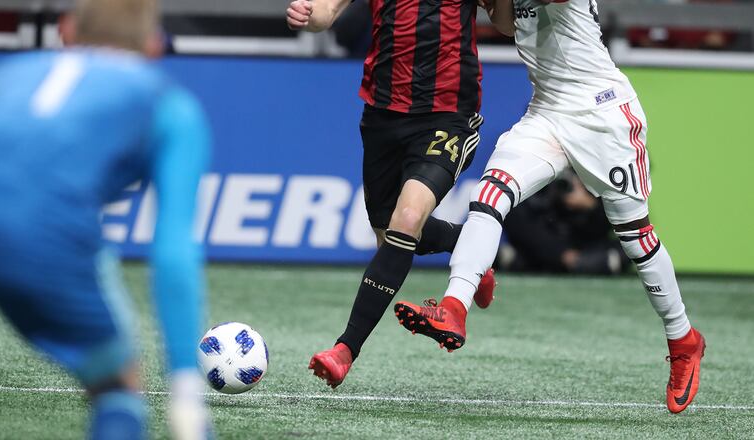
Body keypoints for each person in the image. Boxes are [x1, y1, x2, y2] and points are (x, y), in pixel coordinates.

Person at [395, 0, 705, 414]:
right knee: (488, 198)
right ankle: (454, 308)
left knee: (637, 239)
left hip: (603, 112)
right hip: (547, 111)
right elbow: (506, 24)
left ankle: (684, 339)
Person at [0, 0, 212, 438]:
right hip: (44, 237)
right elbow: (174, 250)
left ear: (65, 30)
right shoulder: (168, 104)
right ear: (153, 46)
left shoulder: (6, 74)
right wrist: (185, 386)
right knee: (118, 387)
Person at [286, 0, 497, 388]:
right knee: (390, 233)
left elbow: (506, 23)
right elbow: (326, 11)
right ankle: (470, 247)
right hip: (382, 116)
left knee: (408, 217)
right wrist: (309, 15)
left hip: (448, 115)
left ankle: (344, 350)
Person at [501, 172, 630, 275]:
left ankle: (580, 263)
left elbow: (608, 225)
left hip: (585, 243)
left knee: (628, 247)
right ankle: (579, 264)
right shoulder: (536, 174)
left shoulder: (595, 174)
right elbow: (520, 221)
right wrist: (562, 255)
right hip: (547, 241)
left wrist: (590, 205)